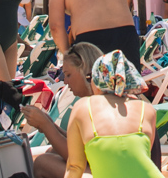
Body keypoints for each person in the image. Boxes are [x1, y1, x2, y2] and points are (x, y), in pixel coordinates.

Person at [65, 50, 161, 178]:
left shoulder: (82, 107)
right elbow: (134, 163)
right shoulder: (147, 109)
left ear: (99, 80)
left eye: (91, 78)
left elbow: (74, 166)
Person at [24, 42, 105, 178]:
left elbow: (77, 157)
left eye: (68, 75)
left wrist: (45, 125)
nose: (65, 82)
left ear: (85, 72)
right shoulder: (102, 100)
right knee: (52, 150)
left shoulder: (95, 105)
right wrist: (48, 124)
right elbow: (82, 144)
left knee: (42, 163)